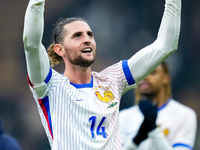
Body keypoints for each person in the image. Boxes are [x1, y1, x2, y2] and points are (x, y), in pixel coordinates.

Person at [23, 0, 181, 149]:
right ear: (60, 49)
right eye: (77, 36)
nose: (87, 40)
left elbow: (166, 45)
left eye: (90, 35)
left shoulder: (113, 80)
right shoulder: (50, 86)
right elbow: (31, 43)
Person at [119, 62, 197, 150]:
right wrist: (136, 141)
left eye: (152, 73)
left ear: (165, 78)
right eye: (141, 73)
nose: (145, 77)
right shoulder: (122, 117)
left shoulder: (185, 115)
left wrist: (153, 130)